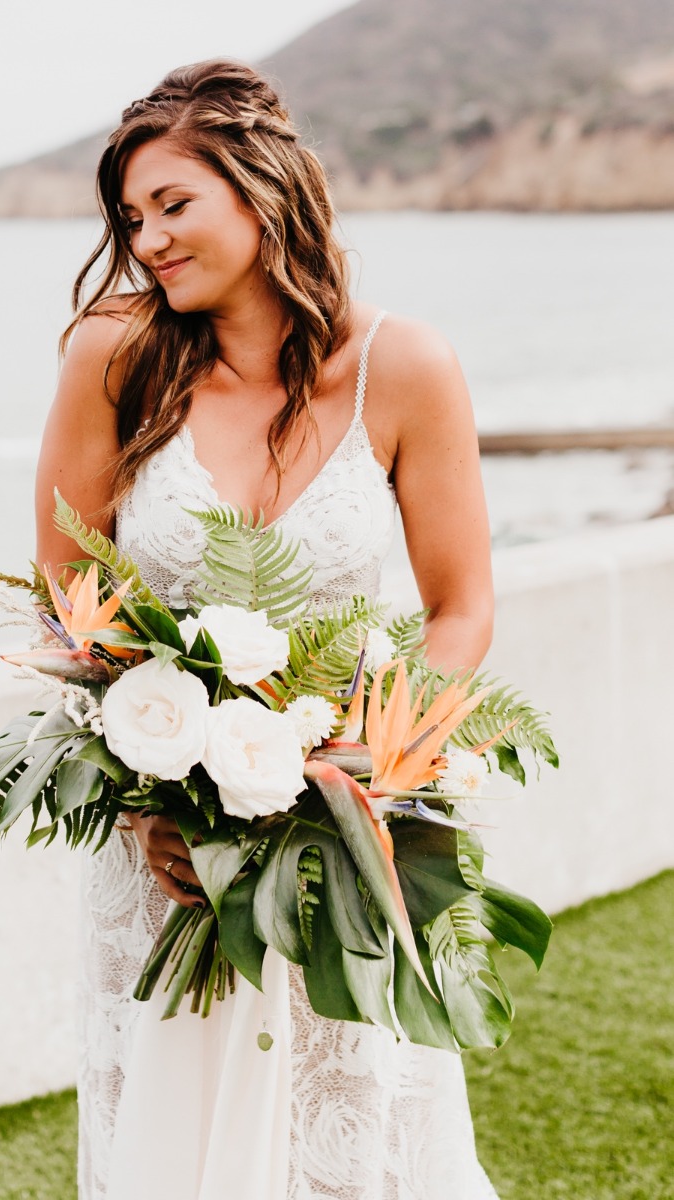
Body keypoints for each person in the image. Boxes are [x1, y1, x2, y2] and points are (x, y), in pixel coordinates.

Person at [35, 59, 497, 1200]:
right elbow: (66, 596)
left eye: (174, 205)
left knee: (351, 1128)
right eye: (132, 216)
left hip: (348, 830)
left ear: (264, 188)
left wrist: (364, 771)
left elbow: (460, 608)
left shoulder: (406, 367)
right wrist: (149, 797)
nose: (147, 239)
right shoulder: (113, 356)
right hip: (162, 854)